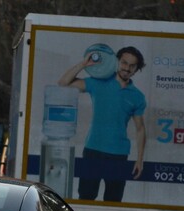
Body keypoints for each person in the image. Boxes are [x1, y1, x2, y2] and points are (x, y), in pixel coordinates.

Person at [58, 46, 147, 202]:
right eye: (124, 63)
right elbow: (63, 83)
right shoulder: (98, 82)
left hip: (119, 154)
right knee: (86, 198)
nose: (127, 68)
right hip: (93, 150)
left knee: (113, 201)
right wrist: (83, 64)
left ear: (136, 69)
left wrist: (139, 160)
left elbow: (140, 129)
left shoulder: (137, 96)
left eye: (132, 65)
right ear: (117, 62)